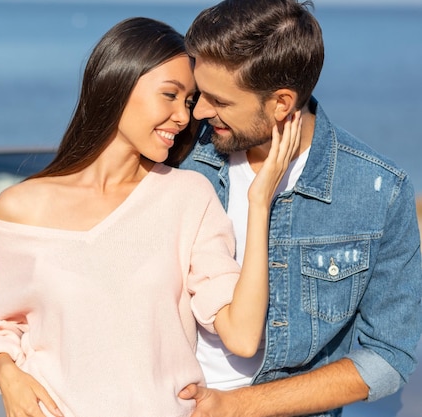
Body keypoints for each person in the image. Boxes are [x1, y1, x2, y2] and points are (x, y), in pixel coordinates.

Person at [0, 17, 300, 417]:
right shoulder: (21, 208)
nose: (184, 117)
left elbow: (244, 335)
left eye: (188, 101)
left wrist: (260, 203)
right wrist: (9, 376)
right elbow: (2, 325)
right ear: (117, 83)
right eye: (170, 94)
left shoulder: (187, 198)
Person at [177, 1, 422, 416]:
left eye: (218, 100)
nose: (197, 111)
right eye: (198, 93)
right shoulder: (178, 154)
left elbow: (388, 356)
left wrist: (238, 407)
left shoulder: (377, 191)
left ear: (281, 103)